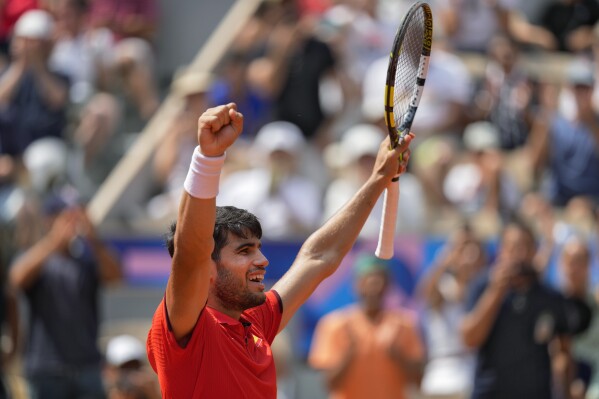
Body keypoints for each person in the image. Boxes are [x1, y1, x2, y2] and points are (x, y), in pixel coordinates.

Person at [146, 102, 414, 397]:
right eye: (244, 251)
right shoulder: (187, 326)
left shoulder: (256, 321)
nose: (262, 261)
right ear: (207, 267)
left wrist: (378, 178)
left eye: (257, 249)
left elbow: (318, 256)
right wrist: (208, 159)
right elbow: (190, 251)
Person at [461, 218, 592, 399]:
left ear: (535, 251)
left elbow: (564, 352)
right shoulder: (482, 286)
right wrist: (496, 293)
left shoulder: (548, 296)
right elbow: (469, 339)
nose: (520, 255)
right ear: (502, 250)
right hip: (490, 393)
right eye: (513, 248)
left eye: (526, 247)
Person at [8, 194, 122, 399]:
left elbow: (115, 277)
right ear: (49, 219)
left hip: (87, 366)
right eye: (64, 217)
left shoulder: (86, 259)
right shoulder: (37, 256)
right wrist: (54, 241)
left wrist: (93, 237)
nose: (71, 223)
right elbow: (17, 278)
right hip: (46, 369)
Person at [308, 254, 425, 399]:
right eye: (367, 281)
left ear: (388, 286)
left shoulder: (405, 324)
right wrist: (349, 355)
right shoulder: (334, 324)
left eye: (379, 281)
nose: (373, 288)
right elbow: (329, 384)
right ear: (355, 285)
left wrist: (398, 356)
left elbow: (418, 380)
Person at [417, 223, 486, 399]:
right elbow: (425, 295)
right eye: (461, 250)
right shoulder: (442, 285)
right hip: (439, 375)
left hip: (471, 373)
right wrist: (447, 257)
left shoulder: (484, 290)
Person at [0, 9, 69, 158]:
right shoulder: (8, 74)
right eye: (22, 40)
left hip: (48, 148)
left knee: (41, 160)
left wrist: (37, 65)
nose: (27, 46)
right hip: (12, 154)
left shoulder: (59, 73)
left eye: (33, 42)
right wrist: (20, 66)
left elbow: (58, 99)